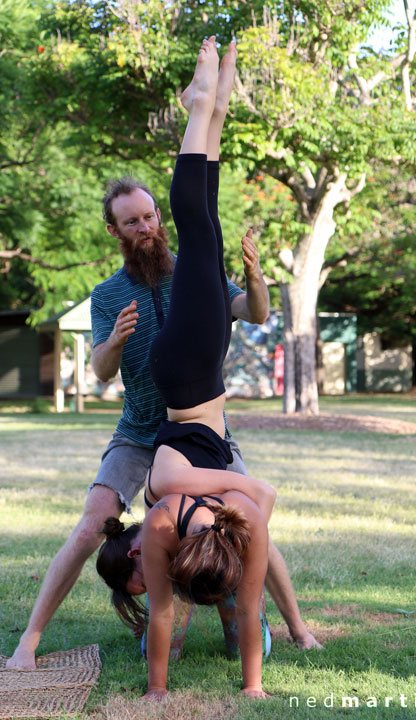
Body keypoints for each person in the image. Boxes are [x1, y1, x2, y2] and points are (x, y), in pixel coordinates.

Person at [6, 37, 319, 673]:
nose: (147, 226)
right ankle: (29, 641)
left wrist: (257, 280)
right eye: (134, 221)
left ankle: (294, 627)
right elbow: (98, 372)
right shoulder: (108, 293)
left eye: (151, 215)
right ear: (116, 231)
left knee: (248, 517)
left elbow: (251, 314)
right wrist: (115, 342)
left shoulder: (192, 276)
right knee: (97, 521)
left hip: (197, 429)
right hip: (143, 431)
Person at [97, 35, 276, 697]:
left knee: (194, 228)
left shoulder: (169, 487)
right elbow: (248, 599)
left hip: (187, 369)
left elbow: (262, 494)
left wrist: (154, 693)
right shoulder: (217, 519)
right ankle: (216, 103)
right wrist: (253, 690)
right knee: (207, 222)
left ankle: (202, 99)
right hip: (198, 371)